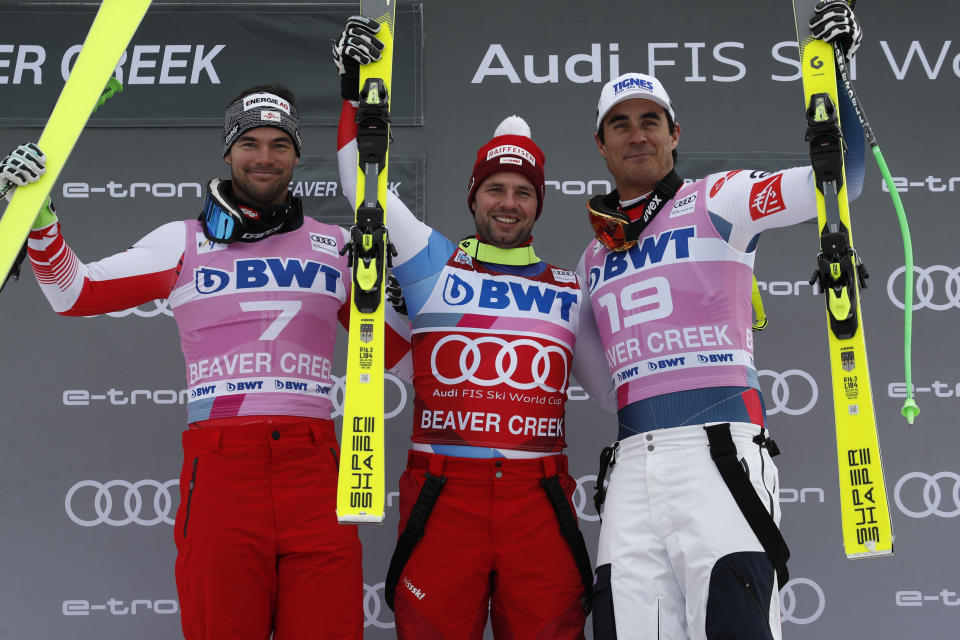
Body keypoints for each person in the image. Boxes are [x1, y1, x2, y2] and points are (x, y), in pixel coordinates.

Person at [0, 85, 411, 640]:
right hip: (222, 466)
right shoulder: (182, 242)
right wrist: (40, 216)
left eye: (279, 144)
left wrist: (392, 285)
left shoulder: (337, 245)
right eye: (249, 143)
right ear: (227, 152)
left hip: (314, 468)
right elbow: (75, 294)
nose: (264, 157)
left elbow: (397, 352)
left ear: (296, 156)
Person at [579, 2, 864, 639]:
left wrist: (837, 77)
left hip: (719, 455)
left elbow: (839, 177)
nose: (637, 135)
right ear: (601, 145)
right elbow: (601, 388)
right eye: (619, 125)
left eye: (650, 121)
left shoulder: (719, 199)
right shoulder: (593, 255)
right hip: (628, 469)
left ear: (674, 132)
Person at [333, 17, 615, 640]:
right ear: (473, 196)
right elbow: (361, 176)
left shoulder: (571, 290)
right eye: (494, 188)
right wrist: (356, 91)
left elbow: (611, 391)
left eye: (521, 190)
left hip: (538, 500)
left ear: (539, 202)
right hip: (443, 495)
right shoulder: (432, 260)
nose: (507, 202)